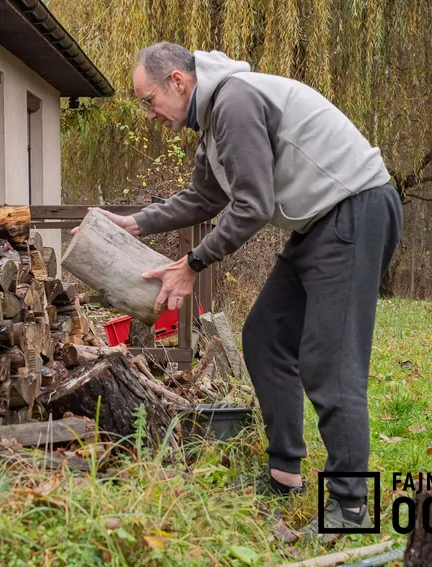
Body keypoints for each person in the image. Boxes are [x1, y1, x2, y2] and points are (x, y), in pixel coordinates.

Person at [78, 41, 403, 540]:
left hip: (356, 210)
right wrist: (138, 222)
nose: (149, 114)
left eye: (149, 100)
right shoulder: (212, 119)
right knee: (265, 338)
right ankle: (284, 473)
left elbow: (252, 206)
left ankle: (350, 507)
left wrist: (192, 263)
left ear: (178, 82)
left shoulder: (234, 102)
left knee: (331, 361)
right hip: (320, 223)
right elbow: (204, 197)